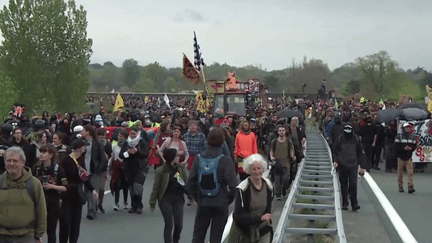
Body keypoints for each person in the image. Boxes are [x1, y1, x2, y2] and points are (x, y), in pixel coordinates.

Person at [187, 126, 238, 243]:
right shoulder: (225, 160)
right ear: (222, 141)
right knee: (216, 236)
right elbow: (233, 185)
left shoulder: (199, 158)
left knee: (198, 234)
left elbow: (190, 182)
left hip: (203, 201)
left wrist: (198, 197)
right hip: (220, 202)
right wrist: (227, 199)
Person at [0, 147, 47, 243]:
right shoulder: (0, 182)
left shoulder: (33, 184)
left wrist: (38, 235)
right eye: (8, 160)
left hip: (26, 236)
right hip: (2, 236)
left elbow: (41, 211)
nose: (11, 164)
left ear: (23, 162)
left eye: (15, 161)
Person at [59, 139, 98, 243]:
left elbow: (84, 177)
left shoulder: (81, 160)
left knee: (75, 224)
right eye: (84, 146)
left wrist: (92, 189)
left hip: (78, 195)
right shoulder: (66, 160)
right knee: (65, 222)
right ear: (79, 148)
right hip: (66, 195)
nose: (85, 148)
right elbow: (61, 177)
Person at [228, 154, 274, 242]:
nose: (257, 172)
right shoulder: (242, 188)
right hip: (244, 229)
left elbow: (268, 207)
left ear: (263, 169)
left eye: (259, 168)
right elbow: (239, 215)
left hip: (262, 227)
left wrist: (265, 219)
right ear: (249, 171)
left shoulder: (268, 185)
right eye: (254, 169)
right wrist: (259, 218)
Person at [149, 148, 189, 243]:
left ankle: (175, 240)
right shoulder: (161, 171)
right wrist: (152, 202)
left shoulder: (180, 168)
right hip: (165, 199)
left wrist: (192, 197)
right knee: (169, 225)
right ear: (171, 158)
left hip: (178, 198)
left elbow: (186, 184)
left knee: (179, 225)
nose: (179, 157)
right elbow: (156, 188)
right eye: (177, 156)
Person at [32, 144, 67, 243]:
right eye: (41, 152)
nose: (41, 155)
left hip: (53, 202)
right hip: (38, 202)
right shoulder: (37, 168)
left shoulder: (58, 168)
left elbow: (65, 188)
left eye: (44, 153)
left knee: (51, 231)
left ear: (51, 155)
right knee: (35, 230)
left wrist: (52, 186)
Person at [332, 124, 365, 211]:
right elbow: (335, 151)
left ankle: (354, 203)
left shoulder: (356, 139)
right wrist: (335, 161)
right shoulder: (340, 139)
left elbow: (360, 153)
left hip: (353, 165)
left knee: (353, 185)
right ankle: (345, 202)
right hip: (342, 165)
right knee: (344, 185)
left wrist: (362, 166)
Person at [119, 127, 149, 214]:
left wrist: (137, 151)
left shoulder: (142, 142)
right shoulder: (126, 143)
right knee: (131, 187)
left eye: (134, 134)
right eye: (131, 134)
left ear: (137, 134)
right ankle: (133, 205)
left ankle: (139, 205)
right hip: (128, 167)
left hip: (140, 167)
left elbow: (145, 154)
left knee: (137, 186)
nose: (132, 136)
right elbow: (121, 155)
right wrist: (127, 153)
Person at [81, 125, 107, 220]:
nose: (82, 132)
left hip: (94, 170)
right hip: (83, 170)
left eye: (83, 130)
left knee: (93, 190)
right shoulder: (82, 143)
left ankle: (91, 211)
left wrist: (98, 169)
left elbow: (102, 159)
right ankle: (93, 207)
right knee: (87, 191)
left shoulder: (97, 144)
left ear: (88, 132)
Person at [269, 125, 296, 200]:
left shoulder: (288, 141)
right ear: (278, 132)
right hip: (277, 164)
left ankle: (284, 190)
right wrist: (272, 157)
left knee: (285, 179)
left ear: (285, 132)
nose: (281, 132)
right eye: (280, 130)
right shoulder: (274, 141)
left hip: (286, 163)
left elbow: (291, 150)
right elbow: (271, 150)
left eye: (283, 130)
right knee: (277, 180)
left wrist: (292, 156)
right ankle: (278, 195)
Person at [110, 129, 129, 210]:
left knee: (125, 186)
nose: (120, 138)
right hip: (117, 168)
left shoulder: (128, 145)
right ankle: (116, 203)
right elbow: (112, 156)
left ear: (125, 137)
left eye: (121, 136)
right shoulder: (114, 145)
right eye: (119, 136)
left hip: (125, 167)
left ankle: (125, 202)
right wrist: (109, 165)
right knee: (116, 185)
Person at [394, 122, 417, 193]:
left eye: (408, 127)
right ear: (403, 129)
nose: (408, 128)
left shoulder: (411, 136)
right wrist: (404, 148)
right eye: (406, 127)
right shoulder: (399, 136)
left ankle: (410, 186)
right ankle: (400, 186)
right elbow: (396, 147)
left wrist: (411, 148)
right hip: (401, 157)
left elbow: (414, 146)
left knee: (410, 172)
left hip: (409, 157)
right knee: (400, 173)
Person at [95, 127, 112, 214]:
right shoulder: (94, 144)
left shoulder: (107, 144)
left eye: (103, 135)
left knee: (101, 188)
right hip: (94, 169)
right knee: (94, 188)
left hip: (103, 169)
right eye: (100, 135)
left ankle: (100, 203)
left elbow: (109, 156)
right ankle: (93, 205)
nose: (102, 137)